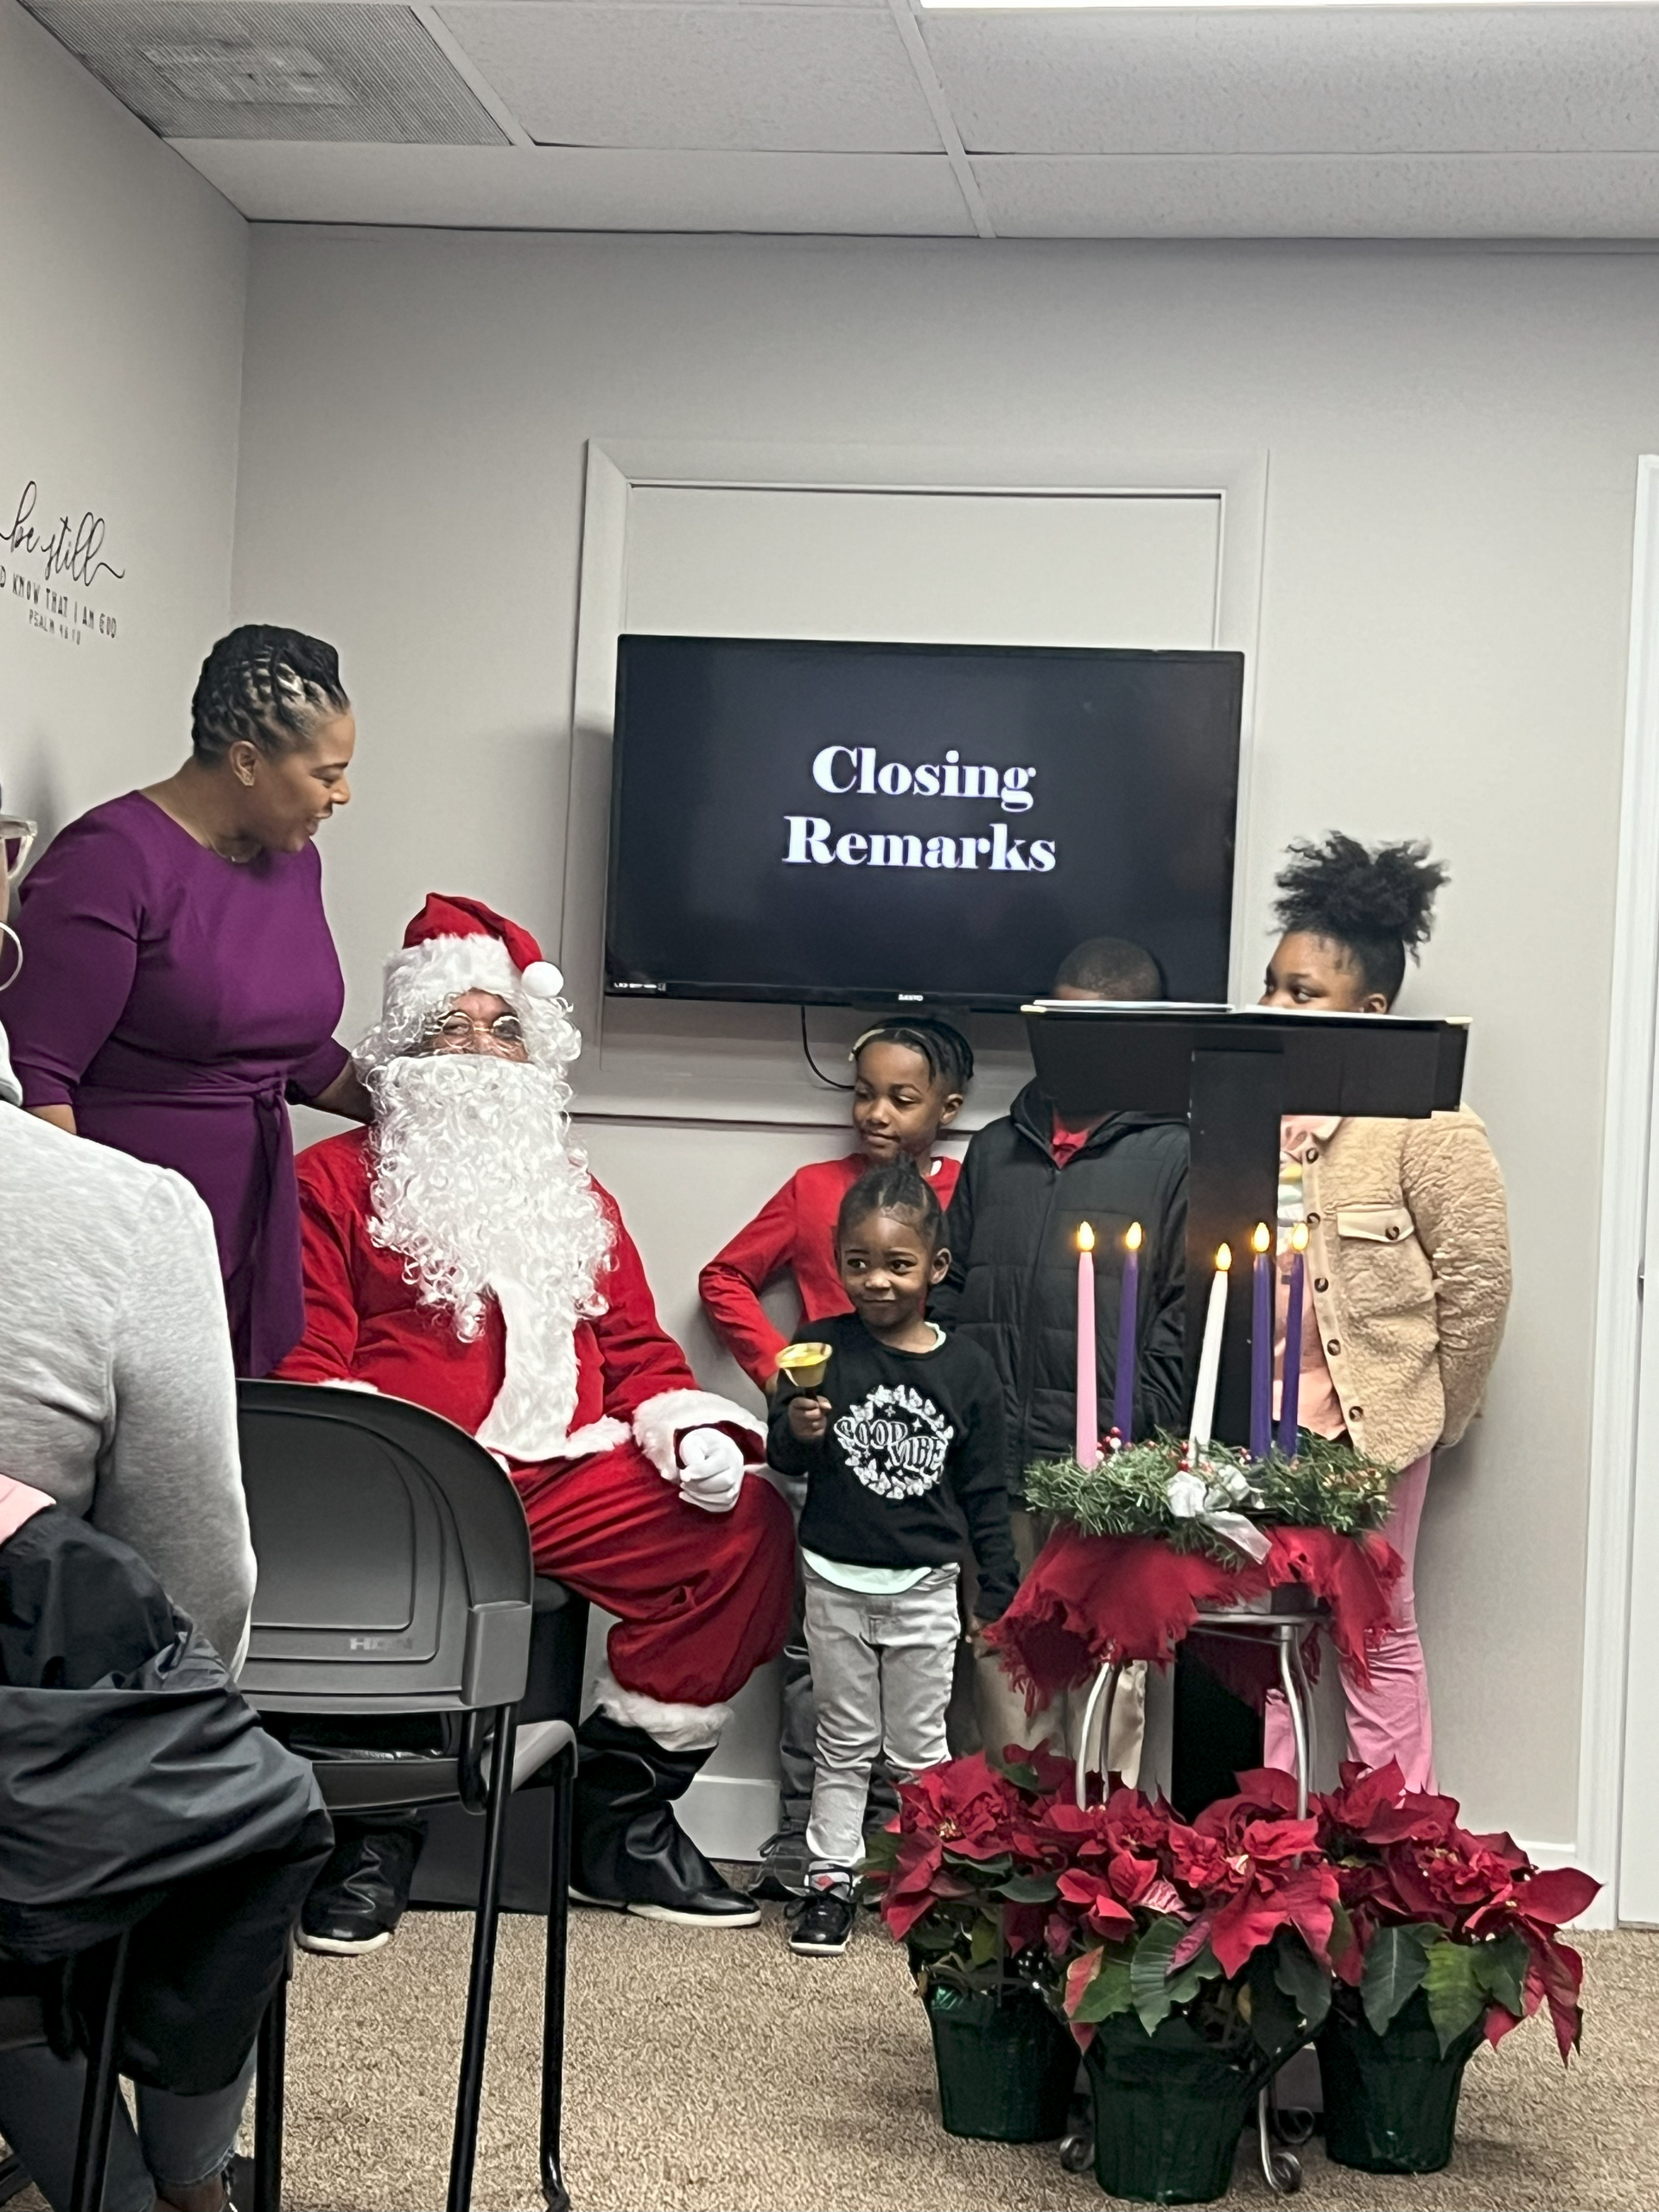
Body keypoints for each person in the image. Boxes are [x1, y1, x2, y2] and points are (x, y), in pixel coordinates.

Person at [275, 895, 794, 1944]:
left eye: (502, 1026)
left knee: (746, 1529)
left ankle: (619, 1820)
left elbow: (640, 1346)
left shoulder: (573, 1194)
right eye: (448, 1027)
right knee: (363, 1548)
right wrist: (383, 1460)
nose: (478, 1049)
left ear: (533, 1054)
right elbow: (309, 1365)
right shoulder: (326, 1182)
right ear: (403, 1054)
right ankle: (374, 1834)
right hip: (411, 1478)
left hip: (561, 1474)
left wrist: (685, 1429)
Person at [4, 626, 370, 1376]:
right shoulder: (111, 860)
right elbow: (40, 1080)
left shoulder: (292, 862)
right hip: (134, 1235)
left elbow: (291, 1046)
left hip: (252, 1226)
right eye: (325, 773)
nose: (342, 795)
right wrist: (86, 1259)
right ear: (246, 762)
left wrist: (429, 1106)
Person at [1259, 834, 1510, 1791]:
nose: (1277, 1007)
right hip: (1268, 1426)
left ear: (1371, 1012)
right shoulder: (1256, 1114)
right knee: (1272, 1634)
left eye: (1302, 992)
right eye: (1273, 985)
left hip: (1376, 1432)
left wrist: (1433, 1413)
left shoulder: (1432, 1126)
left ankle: (1393, 1846)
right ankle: (1269, 1839)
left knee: (1376, 1630)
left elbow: (1478, 1283)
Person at [699, 1016, 972, 1896]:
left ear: (946, 1106)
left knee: (925, 1673)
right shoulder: (816, 1189)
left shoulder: (969, 1193)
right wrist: (783, 1374)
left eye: (900, 1096)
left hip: (922, 1471)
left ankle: (904, 1856)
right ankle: (805, 1842)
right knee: (818, 1661)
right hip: (826, 1464)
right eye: (863, 1092)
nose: (875, 1112)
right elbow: (724, 1278)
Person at [931, 936, 1187, 1777]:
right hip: (998, 1456)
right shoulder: (996, 1150)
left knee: (1110, 1664)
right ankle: (999, 1854)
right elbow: (952, 1277)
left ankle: (1097, 1856)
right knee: (1001, 1653)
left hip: (1112, 1467)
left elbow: (1188, 1311)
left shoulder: (1174, 1155)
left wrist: (1138, 1418)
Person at [767, 1161, 1017, 1958]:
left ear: (935, 1268)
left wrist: (998, 1586)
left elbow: (985, 1491)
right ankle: (829, 1885)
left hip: (926, 1587)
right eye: (858, 1263)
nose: (876, 1281)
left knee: (919, 1750)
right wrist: (795, 1432)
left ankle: (930, 1886)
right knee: (843, 1739)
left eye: (898, 1264)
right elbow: (788, 1458)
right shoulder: (818, 1349)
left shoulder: (969, 1370)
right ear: (839, 1259)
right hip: (834, 1577)